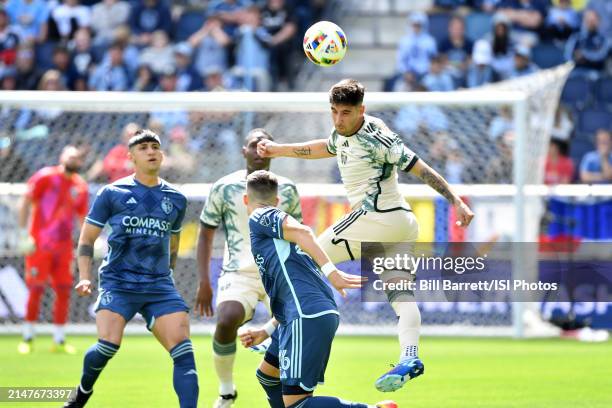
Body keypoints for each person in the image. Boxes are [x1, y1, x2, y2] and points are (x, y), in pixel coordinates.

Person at [257, 79, 474, 393]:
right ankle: (410, 357)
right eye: (333, 112)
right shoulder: (342, 133)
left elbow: (420, 167)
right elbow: (322, 147)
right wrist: (279, 149)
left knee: (305, 257)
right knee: (400, 296)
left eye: (346, 113)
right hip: (400, 224)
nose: (338, 119)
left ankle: (271, 332)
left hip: (377, 217)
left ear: (362, 110)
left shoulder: (377, 137)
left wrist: (455, 200)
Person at [239, 169, 397, 408]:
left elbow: (303, 231)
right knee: (268, 375)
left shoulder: (261, 215)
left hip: (306, 315)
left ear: (245, 200)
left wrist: (331, 271)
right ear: (278, 199)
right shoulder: (280, 238)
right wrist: (267, 330)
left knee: (297, 404)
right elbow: (293, 287)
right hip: (297, 315)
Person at [63, 129, 198, 407]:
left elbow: (173, 244)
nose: (151, 152)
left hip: (158, 286)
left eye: (155, 147)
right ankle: (82, 393)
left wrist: (168, 276)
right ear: (131, 156)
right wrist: (85, 277)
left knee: (184, 352)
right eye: (144, 148)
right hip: (118, 283)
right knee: (108, 345)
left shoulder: (176, 198)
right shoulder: (112, 193)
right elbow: (87, 239)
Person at [195, 128, 302, 407]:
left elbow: (297, 234)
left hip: (278, 273)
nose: (259, 149)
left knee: (297, 324)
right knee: (227, 318)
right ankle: (227, 391)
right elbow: (205, 233)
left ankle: (289, 386)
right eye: (254, 144)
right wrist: (204, 283)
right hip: (238, 273)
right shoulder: (224, 187)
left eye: (266, 144)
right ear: (244, 151)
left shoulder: (287, 189)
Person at [17, 145, 89, 355]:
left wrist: (90, 240)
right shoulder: (45, 177)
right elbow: (26, 203)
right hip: (39, 244)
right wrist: (23, 234)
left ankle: (59, 339)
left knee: (64, 290)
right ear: (62, 157)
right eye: (71, 156)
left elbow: (82, 217)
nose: (75, 160)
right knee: (36, 288)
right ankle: (28, 337)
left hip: (64, 247)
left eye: (78, 157)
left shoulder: (80, 186)